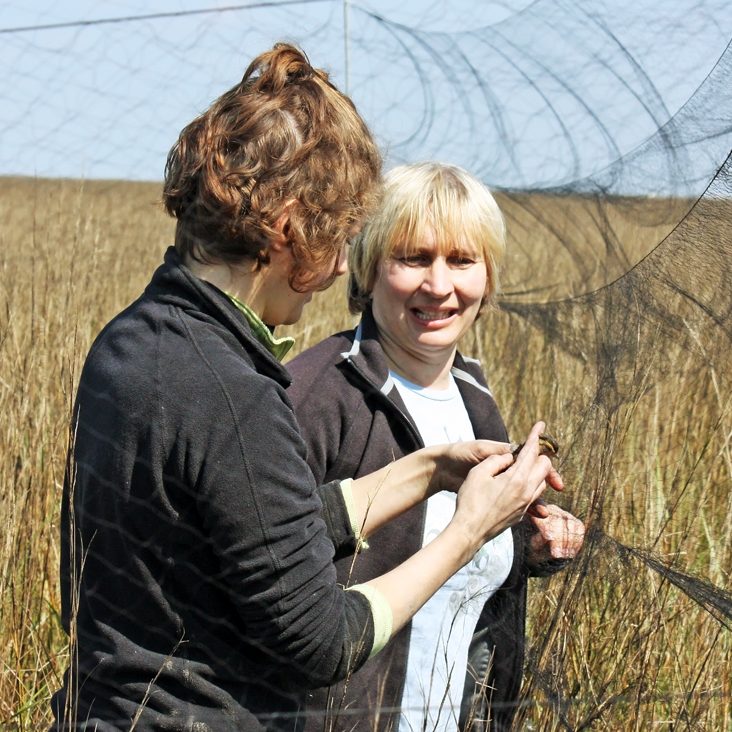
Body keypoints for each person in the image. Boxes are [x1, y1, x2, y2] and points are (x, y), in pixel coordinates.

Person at [50, 48, 563, 732]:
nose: (335, 270)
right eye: (341, 235)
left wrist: (424, 471)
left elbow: (256, 531)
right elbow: (324, 639)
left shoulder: (136, 338)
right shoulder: (235, 392)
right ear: (291, 227)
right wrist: (469, 529)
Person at [287, 162, 586, 732]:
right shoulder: (315, 395)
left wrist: (531, 544)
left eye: (462, 260)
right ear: (370, 268)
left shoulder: (476, 398)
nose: (439, 285)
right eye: (415, 257)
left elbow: (465, 552)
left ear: (488, 279)